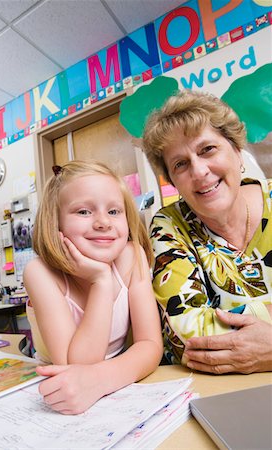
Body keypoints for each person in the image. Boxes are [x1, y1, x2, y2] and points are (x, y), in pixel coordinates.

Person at [142, 89, 272, 374]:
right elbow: (184, 333)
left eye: (207, 150)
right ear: (174, 182)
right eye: (181, 164)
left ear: (237, 150)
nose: (199, 171)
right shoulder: (169, 225)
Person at [23, 160, 163, 414]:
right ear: (56, 223)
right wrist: (100, 280)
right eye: (84, 212)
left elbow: (151, 344)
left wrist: (102, 380)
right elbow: (76, 365)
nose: (103, 223)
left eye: (114, 211)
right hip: (62, 393)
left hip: (114, 386)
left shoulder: (132, 255)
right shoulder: (39, 273)